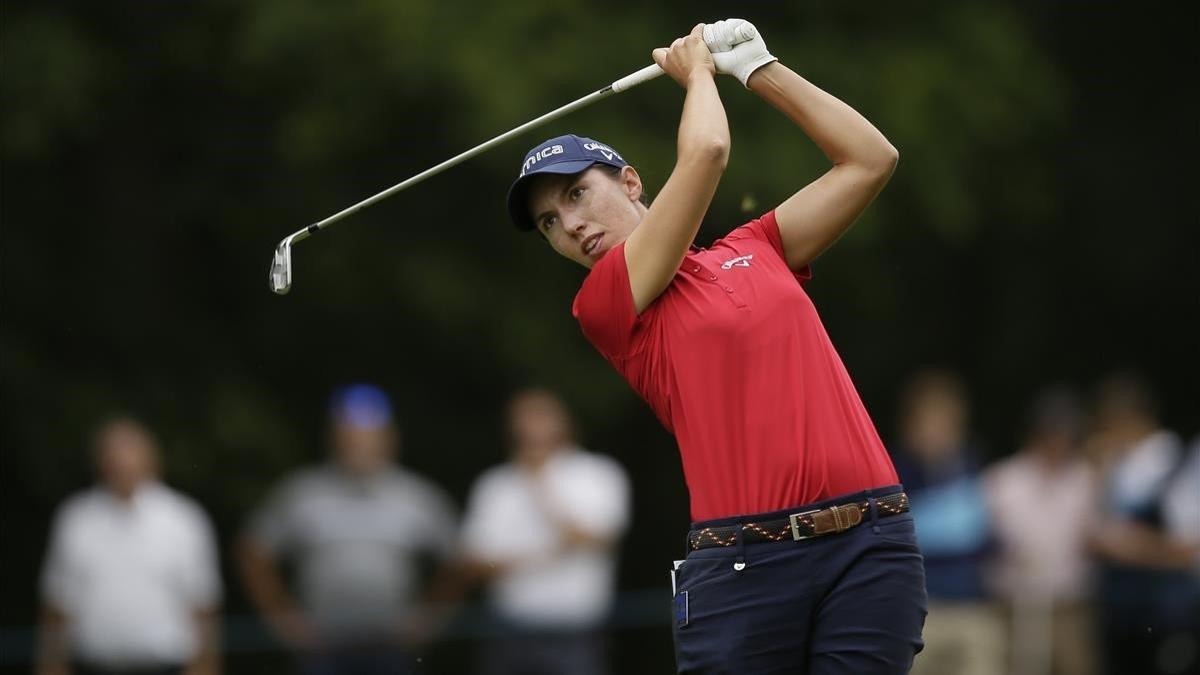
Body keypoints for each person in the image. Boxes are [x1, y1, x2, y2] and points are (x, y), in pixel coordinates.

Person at [504, 19, 924, 673]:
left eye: (578, 193)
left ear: (632, 182)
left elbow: (872, 159)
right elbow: (706, 154)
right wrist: (698, 71)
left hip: (872, 545)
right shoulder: (608, 303)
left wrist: (760, 69)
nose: (573, 226)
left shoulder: (756, 248)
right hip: (744, 568)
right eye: (550, 223)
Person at [236, 384, 457, 675]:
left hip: (392, 648)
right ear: (334, 439)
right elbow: (252, 551)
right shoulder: (303, 493)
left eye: (368, 438)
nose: (359, 446)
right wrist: (285, 621)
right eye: (350, 437)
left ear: (389, 439)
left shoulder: (416, 497)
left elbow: (461, 557)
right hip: (322, 648)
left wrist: (430, 619)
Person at [458, 388, 630, 675]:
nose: (531, 427)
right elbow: (474, 564)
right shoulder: (494, 484)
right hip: (508, 630)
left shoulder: (598, 474)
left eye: (540, 416)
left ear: (565, 421)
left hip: (576, 630)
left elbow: (600, 540)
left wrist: (540, 486)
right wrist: (547, 554)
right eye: (522, 419)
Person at [37, 417, 222, 675]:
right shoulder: (75, 519)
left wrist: (206, 667)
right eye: (114, 455)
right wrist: (51, 665)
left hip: (167, 666)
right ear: (99, 462)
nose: (123, 464)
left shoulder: (184, 520)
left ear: (152, 459)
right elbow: (57, 603)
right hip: (91, 666)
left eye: (131, 453)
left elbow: (203, 603)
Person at [889, 370, 1002, 675]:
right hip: (921, 614)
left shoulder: (971, 466)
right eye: (929, 422)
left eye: (946, 423)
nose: (937, 433)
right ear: (910, 426)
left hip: (971, 608)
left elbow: (983, 538)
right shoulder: (892, 475)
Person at [1086, 373, 1199, 675]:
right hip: (1120, 620)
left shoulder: (1174, 464)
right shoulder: (1113, 468)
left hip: (1165, 620)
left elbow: (1189, 550)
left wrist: (1129, 548)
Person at [984, 386, 1097, 675]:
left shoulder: (1083, 478)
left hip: (1067, 607)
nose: (1059, 440)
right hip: (1013, 607)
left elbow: (1092, 535)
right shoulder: (1004, 480)